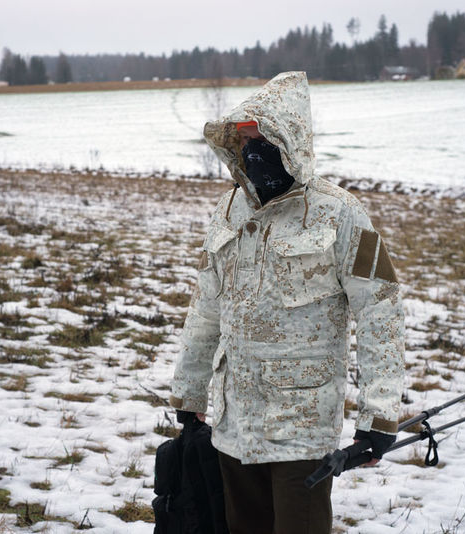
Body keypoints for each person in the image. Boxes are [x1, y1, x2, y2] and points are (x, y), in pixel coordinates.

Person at [170, 71, 405, 533]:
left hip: (301, 428)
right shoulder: (228, 210)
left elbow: (381, 310)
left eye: (266, 141)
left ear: (292, 142)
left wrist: (379, 416)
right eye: (245, 142)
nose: (254, 154)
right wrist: (191, 391)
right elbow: (206, 307)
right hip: (234, 422)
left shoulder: (340, 213)